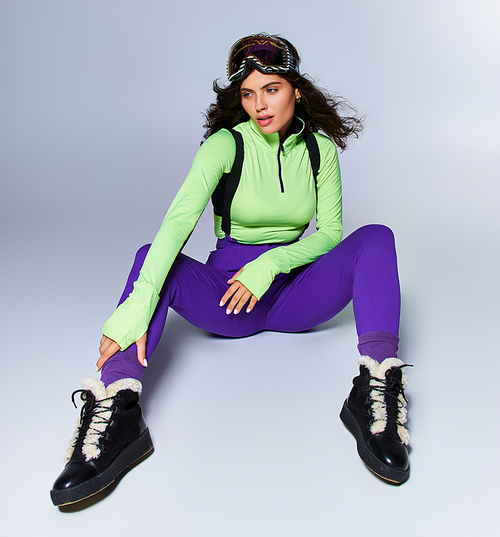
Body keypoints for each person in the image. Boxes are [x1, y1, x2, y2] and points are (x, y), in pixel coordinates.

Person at [50, 34, 411, 506]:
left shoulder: (320, 150)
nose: (259, 105)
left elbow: (329, 235)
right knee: (148, 259)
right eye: (248, 93)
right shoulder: (226, 145)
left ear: (296, 89)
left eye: (272, 89)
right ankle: (114, 411)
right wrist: (140, 303)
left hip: (295, 293)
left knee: (377, 238)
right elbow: (178, 221)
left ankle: (378, 394)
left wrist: (273, 262)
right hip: (228, 297)